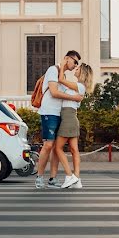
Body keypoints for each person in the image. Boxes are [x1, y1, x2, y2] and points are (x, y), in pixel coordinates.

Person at [35, 51, 85, 189]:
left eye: (77, 64)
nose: (75, 65)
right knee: (49, 145)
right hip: (49, 112)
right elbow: (54, 92)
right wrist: (74, 98)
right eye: (74, 61)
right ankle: (39, 177)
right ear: (66, 58)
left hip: (59, 115)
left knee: (57, 147)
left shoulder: (61, 74)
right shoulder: (53, 70)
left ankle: (52, 178)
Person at [49, 63, 94, 188]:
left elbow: (61, 80)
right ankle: (77, 179)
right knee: (74, 150)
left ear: (82, 72)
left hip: (68, 117)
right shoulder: (76, 87)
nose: (75, 68)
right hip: (71, 117)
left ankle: (69, 176)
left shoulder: (79, 86)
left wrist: (62, 65)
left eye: (78, 68)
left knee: (58, 148)